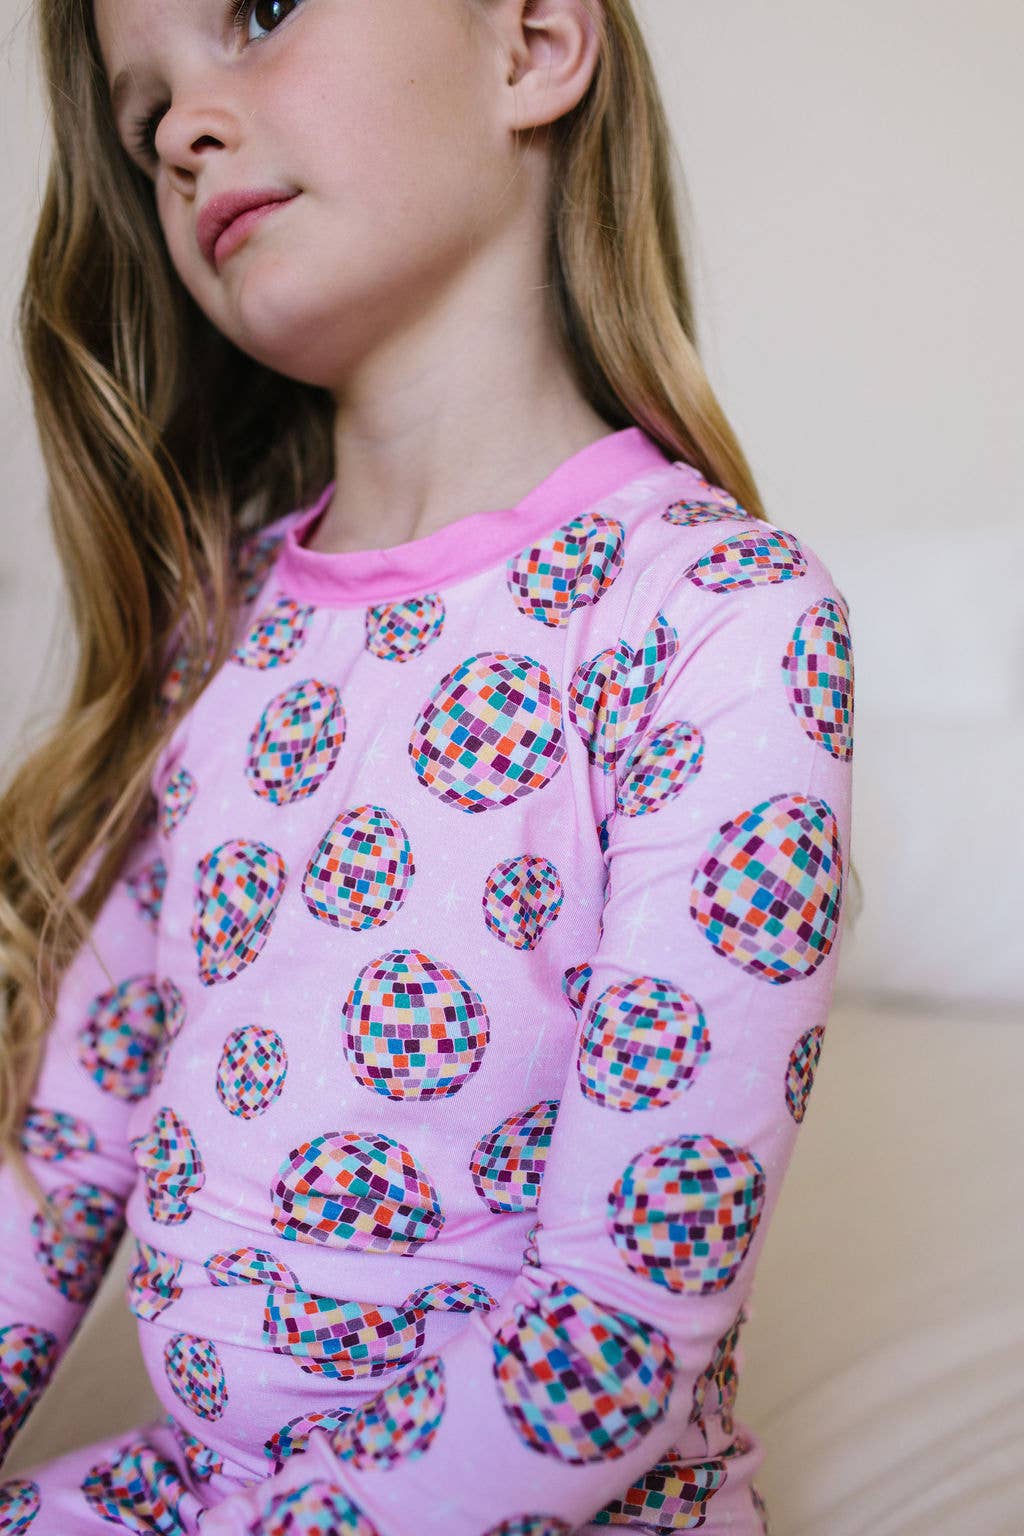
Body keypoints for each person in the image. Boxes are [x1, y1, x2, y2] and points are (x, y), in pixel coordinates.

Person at [0, 0, 858, 1531]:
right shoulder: (214, 635)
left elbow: (607, 1344)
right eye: (144, 117)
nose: (183, 128)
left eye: (260, 12)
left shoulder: (721, 621)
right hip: (207, 1491)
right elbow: (64, 1166)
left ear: (533, 43)